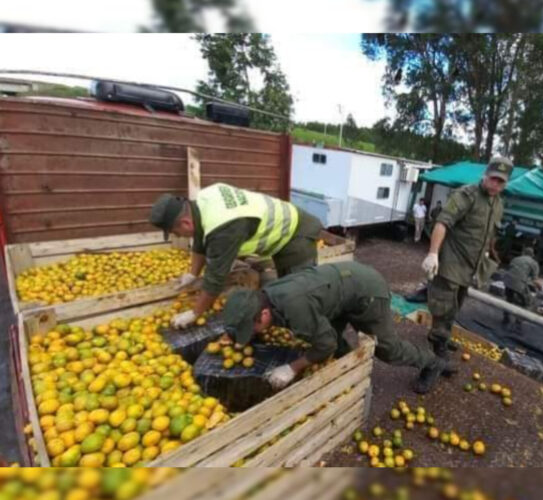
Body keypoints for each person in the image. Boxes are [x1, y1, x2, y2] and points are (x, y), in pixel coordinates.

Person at [220, 262, 456, 394]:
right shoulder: (266, 295)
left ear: (263, 314)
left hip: (367, 292)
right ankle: (349, 369)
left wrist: (292, 368)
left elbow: (326, 344)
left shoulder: (294, 307)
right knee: (327, 336)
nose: (253, 334)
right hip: (342, 288)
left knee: (387, 349)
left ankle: (434, 363)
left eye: (252, 329)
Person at [149, 183, 323, 329]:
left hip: (297, 233)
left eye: (175, 232)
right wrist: (193, 274)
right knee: (287, 288)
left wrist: (195, 313)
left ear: (185, 223)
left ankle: (321, 340)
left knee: (300, 293)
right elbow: (201, 240)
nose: (178, 237)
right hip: (283, 232)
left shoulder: (223, 228)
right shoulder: (204, 199)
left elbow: (216, 278)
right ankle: (293, 324)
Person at [421, 157, 510, 361]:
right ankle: (436, 347)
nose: (496, 184)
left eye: (501, 182)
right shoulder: (467, 195)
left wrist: (489, 255)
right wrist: (433, 253)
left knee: (456, 305)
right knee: (443, 305)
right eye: (494, 179)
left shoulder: (498, 204)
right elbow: (442, 223)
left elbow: (489, 234)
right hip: (451, 262)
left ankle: (442, 337)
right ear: (485, 176)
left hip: (471, 267)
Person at [502, 247, 541, 326]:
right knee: (527, 302)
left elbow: (511, 269)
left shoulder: (516, 259)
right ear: (532, 255)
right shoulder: (533, 263)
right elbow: (535, 279)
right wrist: (540, 286)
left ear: (523, 252)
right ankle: (519, 321)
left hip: (507, 281)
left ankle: (506, 317)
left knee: (509, 299)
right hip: (519, 283)